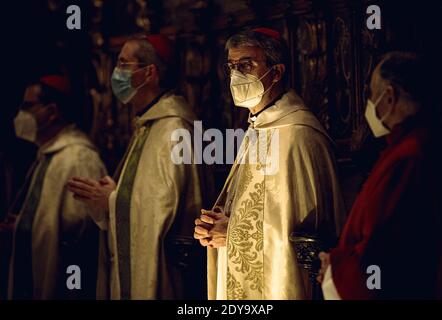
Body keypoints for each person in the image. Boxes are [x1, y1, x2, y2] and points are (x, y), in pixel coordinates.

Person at [194, 28, 346, 300]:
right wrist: (214, 225)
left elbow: (306, 234)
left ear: (276, 72)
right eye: (232, 67)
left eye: (246, 65)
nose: (236, 75)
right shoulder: (258, 127)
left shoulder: (298, 134)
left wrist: (233, 233)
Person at [68, 34, 206, 300]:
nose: (115, 73)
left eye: (123, 64)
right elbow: (150, 196)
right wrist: (115, 194)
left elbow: (167, 211)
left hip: (167, 270)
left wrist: (110, 201)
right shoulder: (150, 124)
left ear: (149, 73)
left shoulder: (174, 129)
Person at [318, 51, 442, 299]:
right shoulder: (414, 144)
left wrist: (335, 269)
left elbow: (386, 248)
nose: (369, 103)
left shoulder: (410, 155)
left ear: (389, 97)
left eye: (371, 93)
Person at [7, 75, 107, 299]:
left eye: (28, 106)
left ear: (51, 112)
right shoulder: (49, 153)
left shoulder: (79, 157)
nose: (21, 115)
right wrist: (23, 224)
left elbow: (82, 231)